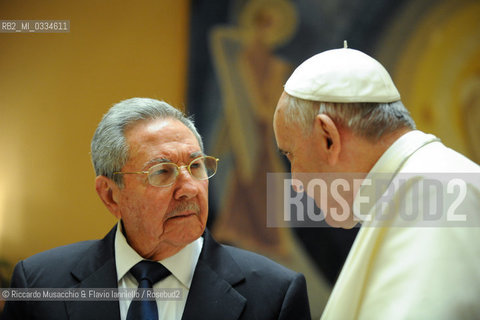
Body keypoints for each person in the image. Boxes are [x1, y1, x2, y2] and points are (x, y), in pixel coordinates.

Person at [2, 98, 311, 320]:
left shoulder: (275, 294)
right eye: (162, 172)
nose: (190, 188)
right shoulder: (40, 284)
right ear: (110, 195)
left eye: (196, 166)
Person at [273, 46, 480, 319]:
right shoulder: (415, 188)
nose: (296, 183)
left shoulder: (440, 194)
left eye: (291, 155)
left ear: (328, 138)